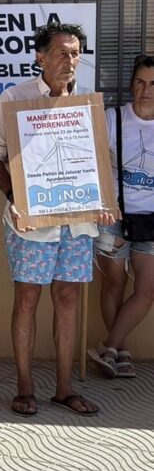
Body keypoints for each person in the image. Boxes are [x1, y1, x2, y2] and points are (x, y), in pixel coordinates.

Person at [0, 22, 111, 416]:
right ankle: (25, 387)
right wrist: (12, 195)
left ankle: (64, 387)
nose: (70, 61)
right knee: (28, 298)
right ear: (40, 57)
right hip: (30, 220)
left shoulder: (88, 102)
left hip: (78, 220)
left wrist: (104, 199)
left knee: (69, 298)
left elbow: (99, 163)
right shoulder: (15, 99)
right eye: (61, 53)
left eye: (75, 53)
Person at [91, 55, 154, 377]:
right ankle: (122, 351)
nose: (146, 90)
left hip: (152, 219)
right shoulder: (112, 119)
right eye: (141, 82)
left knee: (146, 290)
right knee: (114, 283)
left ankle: (109, 346)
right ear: (132, 83)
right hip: (113, 214)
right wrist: (104, 202)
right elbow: (92, 162)